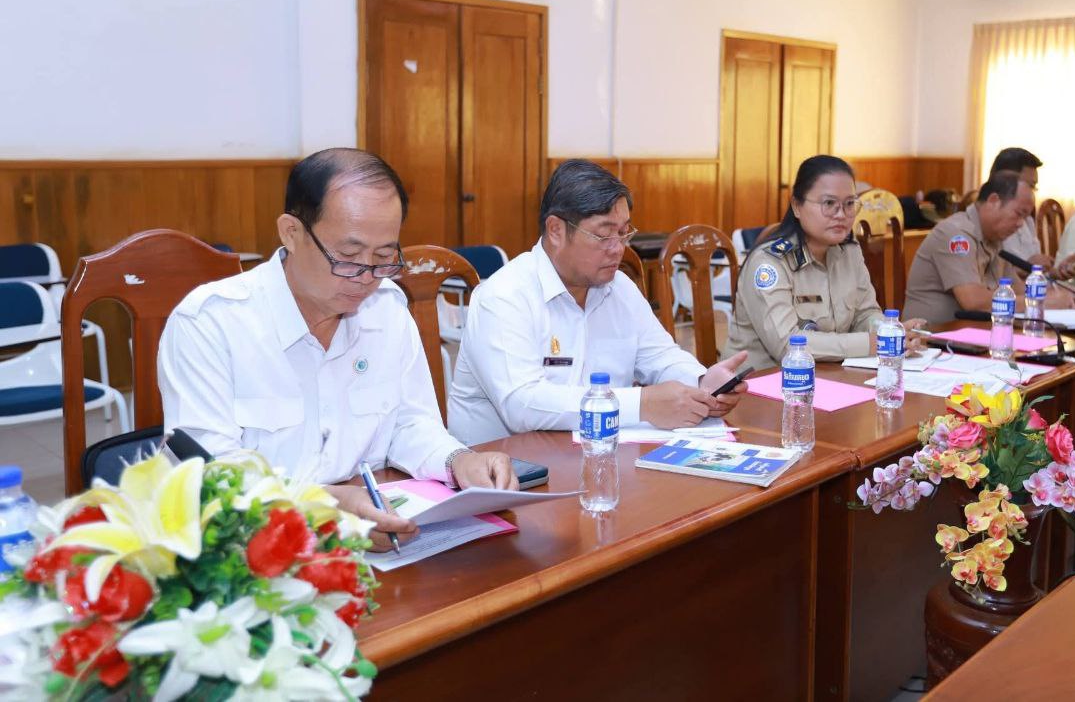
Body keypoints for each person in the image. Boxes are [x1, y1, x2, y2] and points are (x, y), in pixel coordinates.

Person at [159, 148, 516, 552]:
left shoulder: (387, 309)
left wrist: (458, 461)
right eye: (347, 256)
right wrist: (323, 506)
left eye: (383, 257)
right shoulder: (211, 323)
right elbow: (212, 475)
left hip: (379, 541)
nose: (366, 277)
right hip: (253, 551)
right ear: (291, 233)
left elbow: (409, 423)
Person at [448, 160, 749, 446]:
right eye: (604, 235)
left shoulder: (619, 288)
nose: (618, 249)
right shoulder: (504, 296)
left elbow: (660, 356)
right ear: (556, 230)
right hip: (507, 466)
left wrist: (701, 381)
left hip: (596, 455)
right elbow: (523, 404)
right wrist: (641, 404)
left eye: (623, 232)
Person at [725, 155, 926, 370]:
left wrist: (889, 332)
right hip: (760, 382)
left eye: (849, 204)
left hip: (826, 376)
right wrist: (871, 343)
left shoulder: (849, 251)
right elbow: (787, 345)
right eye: (829, 203)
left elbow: (865, 313)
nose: (841, 215)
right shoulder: (769, 263)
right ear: (796, 206)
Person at [903, 171, 1075, 326]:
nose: (1021, 224)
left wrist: (1063, 296)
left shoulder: (994, 238)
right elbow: (974, 301)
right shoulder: (956, 234)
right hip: (931, 340)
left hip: (972, 335)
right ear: (994, 200)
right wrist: (1039, 302)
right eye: (1018, 214)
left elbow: (1017, 288)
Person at [988, 147, 1075, 279]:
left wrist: (1056, 272)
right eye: (1030, 186)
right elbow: (988, 278)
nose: (1032, 193)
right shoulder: (985, 222)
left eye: (1034, 187)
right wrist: (1027, 266)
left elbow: (1035, 273)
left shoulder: (1027, 220)